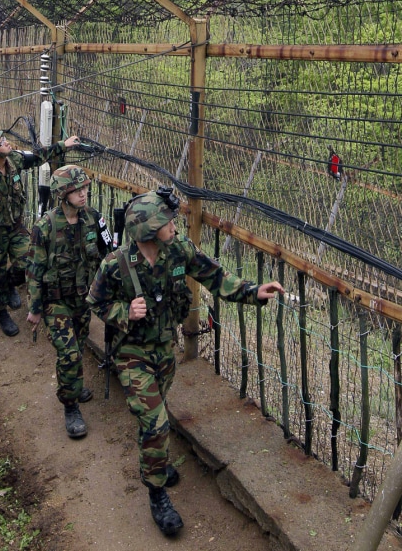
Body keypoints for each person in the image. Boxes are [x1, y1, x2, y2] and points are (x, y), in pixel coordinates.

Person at [86, 186, 285, 537]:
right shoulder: (115, 265)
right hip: (131, 354)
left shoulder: (179, 251)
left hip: (164, 350)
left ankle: (156, 458)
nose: (174, 225)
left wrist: (254, 292)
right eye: (166, 222)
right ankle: (157, 492)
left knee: (156, 414)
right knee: (155, 422)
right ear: (147, 229)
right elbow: (96, 302)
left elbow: (216, 277)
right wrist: (124, 312)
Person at [0, 128, 80, 337]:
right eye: (1, 142)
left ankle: (9, 284)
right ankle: (1, 312)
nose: (7, 142)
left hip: (15, 228)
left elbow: (37, 157)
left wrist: (63, 145)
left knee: (29, 262)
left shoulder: (14, 161)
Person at [26, 165, 112, 438]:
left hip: (82, 300)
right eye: (77, 190)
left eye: (85, 188)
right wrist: (36, 308)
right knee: (69, 353)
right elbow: (35, 270)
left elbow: (106, 253)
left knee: (80, 342)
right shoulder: (45, 227)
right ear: (63, 194)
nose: (83, 194)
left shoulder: (93, 219)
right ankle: (70, 405)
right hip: (56, 302)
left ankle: (74, 385)